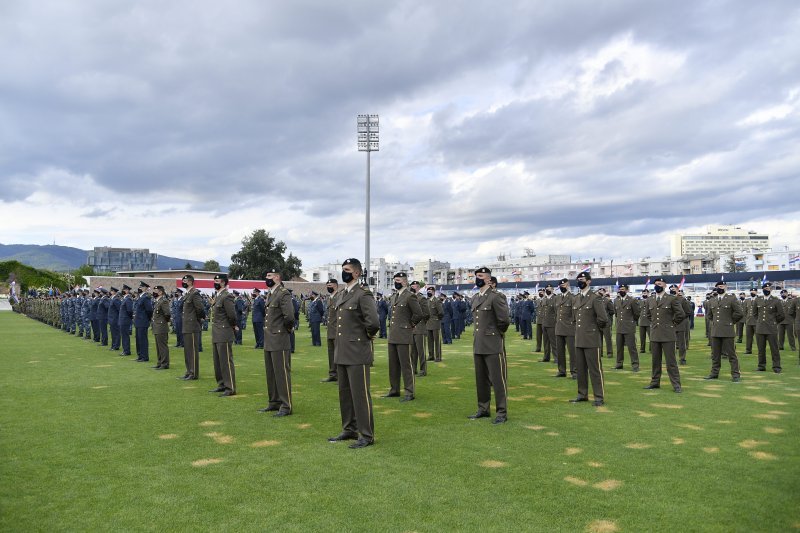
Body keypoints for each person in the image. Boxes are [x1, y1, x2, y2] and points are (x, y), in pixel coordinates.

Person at [327, 258, 380, 449]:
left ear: (357, 273)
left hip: (357, 351)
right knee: (345, 393)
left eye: (347, 269)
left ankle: (366, 435)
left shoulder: (363, 294)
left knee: (360, 394)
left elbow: (373, 322)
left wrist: (365, 337)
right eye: (343, 269)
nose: (344, 272)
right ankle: (349, 428)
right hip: (342, 351)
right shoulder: (343, 294)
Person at [468, 267, 510, 423]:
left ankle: (501, 412)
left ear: (488, 279)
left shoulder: (496, 296)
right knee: (481, 379)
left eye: (480, 276)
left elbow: (504, 320)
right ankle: (483, 409)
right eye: (476, 276)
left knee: (498, 380)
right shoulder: (475, 297)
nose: (477, 278)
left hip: (492, 343)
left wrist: (496, 335)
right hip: (479, 343)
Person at [259, 268, 295, 416]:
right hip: (269, 338)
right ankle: (274, 401)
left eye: (269, 275)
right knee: (271, 373)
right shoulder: (271, 294)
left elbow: (289, 317)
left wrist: (283, 331)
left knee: (281, 373)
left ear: (277, 277)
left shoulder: (283, 293)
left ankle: (286, 405)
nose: (266, 278)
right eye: (266, 275)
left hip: (279, 338)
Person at [569, 272, 609, 406]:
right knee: (580, 369)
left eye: (582, 279)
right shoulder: (576, 298)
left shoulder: (595, 298)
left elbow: (603, 319)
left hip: (591, 338)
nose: (580, 281)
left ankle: (599, 396)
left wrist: (593, 329)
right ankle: (582, 394)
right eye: (578, 279)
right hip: (579, 338)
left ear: (589, 281)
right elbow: (574, 319)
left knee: (595, 369)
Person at [643, 278, 686, 393]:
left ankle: (676, 384)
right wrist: (654, 324)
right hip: (655, 334)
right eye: (656, 284)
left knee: (671, 362)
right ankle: (655, 382)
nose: (657, 286)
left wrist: (672, 324)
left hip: (668, 334)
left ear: (665, 285)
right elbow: (648, 315)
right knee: (655, 361)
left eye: (660, 284)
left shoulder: (671, 299)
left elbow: (680, 314)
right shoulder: (650, 299)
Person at [385, 272, 423, 401]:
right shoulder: (394, 296)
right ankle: (394, 389)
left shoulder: (410, 296)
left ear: (405, 282)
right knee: (393, 365)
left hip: (403, 335)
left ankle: (409, 392)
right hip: (393, 335)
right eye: (395, 280)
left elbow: (418, 314)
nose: (396, 282)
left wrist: (410, 325)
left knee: (406, 365)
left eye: (399, 280)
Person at [704, 280, 743, 382]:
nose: (720, 288)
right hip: (716, 330)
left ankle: (735, 374)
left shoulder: (731, 298)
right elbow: (709, 315)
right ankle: (714, 373)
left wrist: (730, 322)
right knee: (715, 354)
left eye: (722, 286)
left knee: (731, 354)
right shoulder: (712, 300)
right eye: (718, 286)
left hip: (727, 330)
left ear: (726, 287)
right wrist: (716, 323)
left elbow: (739, 313)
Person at [209, 274, 238, 396]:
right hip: (217, 332)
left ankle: (230, 387)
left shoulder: (227, 296)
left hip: (224, 331)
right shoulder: (218, 295)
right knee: (218, 361)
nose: (215, 282)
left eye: (217, 280)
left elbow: (231, 315)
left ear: (223, 283)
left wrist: (233, 326)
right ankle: (221, 384)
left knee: (225, 361)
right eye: (214, 280)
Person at [753, 282, 785, 373]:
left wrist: (774, 322)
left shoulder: (776, 300)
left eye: (769, 289)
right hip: (760, 328)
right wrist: (759, 321)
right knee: (761, 349)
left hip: (771, 328)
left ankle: (776, 367)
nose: (767, 290)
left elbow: (781, 315)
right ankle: (761, 366)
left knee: (774, 349)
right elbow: (755, 314)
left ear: (771, 290)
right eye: (766, 289)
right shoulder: (758, 300)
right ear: (762, 289)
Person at [180, 275, 205, 380]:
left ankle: (193, 373)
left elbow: (200, 308)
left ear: (190, 282)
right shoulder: (187, 294)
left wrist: (197, 320)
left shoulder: (194, 293)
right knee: (187, 350)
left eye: (185, 281)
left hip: (192, 325)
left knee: (192, 350)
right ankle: (189, 371)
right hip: (186, 325)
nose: (183, 282)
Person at [613, 284, 640, 372]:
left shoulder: (632, 300)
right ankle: (619, 364)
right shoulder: (616, 300)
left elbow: (636, 313)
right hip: (619, 327)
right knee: (619, 347)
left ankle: (635, 365)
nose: (621, 291)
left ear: (627, 290)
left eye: (623, 289)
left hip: (629, 327)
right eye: (620, 289)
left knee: (632, 347)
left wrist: (631, 322)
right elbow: (616, 314)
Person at [553, 279, 576, 379]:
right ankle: (561, 371)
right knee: (560, 352)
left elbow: (575, 314)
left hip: (569, 329)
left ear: (568, 285)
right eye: (561, 285)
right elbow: (555, 312)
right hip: (559, 328)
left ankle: (574, 371)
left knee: (572, 352)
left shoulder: (572, 297)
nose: (562, 286)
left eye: (564, 284)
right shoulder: (557, 298)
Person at [322, 279, 341, 382]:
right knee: (331, 353)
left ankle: (341, 376)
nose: (328, 287)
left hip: (337, 330)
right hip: (330, 330)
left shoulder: (339, 297)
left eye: (330, 285)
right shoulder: (330, 298)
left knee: (339, 354)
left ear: (335, 286)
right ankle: (333, 374)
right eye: (327, 285)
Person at [410, 281, 430, 377]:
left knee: (421, 350)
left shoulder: (421, 298)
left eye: (413, 286)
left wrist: (421, 323)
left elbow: (426, 313)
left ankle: (423, 369)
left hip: (420, 327)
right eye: (411, 286)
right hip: (411, 328)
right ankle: (413, 369)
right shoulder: (410, 298)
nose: (412, 288)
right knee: (413, 351)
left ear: (417, 287)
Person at [151, 285, 171, 370]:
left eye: (156, 291)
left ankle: (164, 363)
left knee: (162, 346)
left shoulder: (163, 301)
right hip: (157, 326)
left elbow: (167, 314)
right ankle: (159, 362)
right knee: (158, 346)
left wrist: (163, 322)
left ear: (160, 292)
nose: (154, 293)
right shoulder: (157, 301)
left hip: (161, 326)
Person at [133, 282, 153, 362]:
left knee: (142, 339)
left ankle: (145, 357)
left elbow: (149, 310)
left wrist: (147, 319)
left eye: (142, 287)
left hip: (143, 321)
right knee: (138, 339)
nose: (140, 288)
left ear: (145, 288)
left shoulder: (146, 297)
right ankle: (140, 355)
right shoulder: (140, 297)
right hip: (138, 321)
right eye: (139, 287)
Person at [538, 285, 556, 362]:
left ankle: (557, 358)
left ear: (552, 290)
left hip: (552, 323)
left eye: (549, 289)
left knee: (554, 342)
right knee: (545, 342)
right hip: (544, 323)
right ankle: (546, 357)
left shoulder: (555, 298)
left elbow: (556, 311)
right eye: (546, 289)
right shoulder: (545, 299)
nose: (547, 290)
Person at [426, 285, 444, 362]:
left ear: (433, 292)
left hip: (435, 323)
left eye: (430, 292)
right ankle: (431, 355)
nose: (428, 293)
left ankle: (438, 356)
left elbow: (441, 312)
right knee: (429, 341)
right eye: (428, 292)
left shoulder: (437, 301)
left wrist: (437, 319)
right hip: (428, 323)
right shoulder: (427, 301)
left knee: (437, 341)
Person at [118, 285, 134, 356]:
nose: (123, 291)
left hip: (125, 320)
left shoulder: (128, 299)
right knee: (123, 335)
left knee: (125, 335)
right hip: (123, 319)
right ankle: (125, 350)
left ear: (127, 290)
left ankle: (127, 351)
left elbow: (129, 310)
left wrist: (129, 318)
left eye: (124, 289)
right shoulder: (124, 298)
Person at [744, 287, 758, 354]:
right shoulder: (747, 301)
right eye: (751, 292)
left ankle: (760, 350)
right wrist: (746, 319)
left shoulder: (759, 300)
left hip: (756, 322)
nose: (753, 292)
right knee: (748, 337)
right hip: (749, 321)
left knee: (758, 337)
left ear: (756, 292)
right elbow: (745, 311)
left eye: (754, 291)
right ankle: (748, 350)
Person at [107, 287, 121, 351]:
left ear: (114, 292)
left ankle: (116, 346)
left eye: (112, 291)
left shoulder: (116, 299)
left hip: (115, 319)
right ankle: (113, 345)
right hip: (112, 318)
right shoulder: (112, 299)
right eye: (111, 291)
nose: (111, 292)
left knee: (116, 333)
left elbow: (119, 309)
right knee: (113, 333)